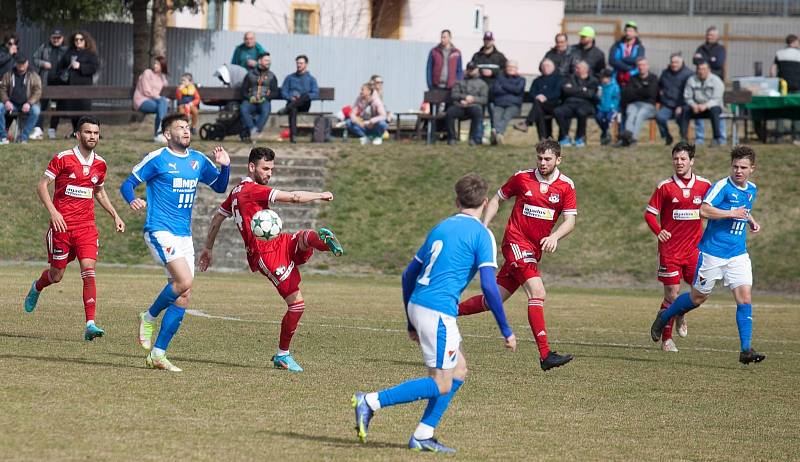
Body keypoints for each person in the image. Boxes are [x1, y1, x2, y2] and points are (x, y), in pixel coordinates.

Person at [351, 173, 516, 453]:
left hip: (420, 305)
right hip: (438, 311)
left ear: (456, 200)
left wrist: (410, 322)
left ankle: (423, 434)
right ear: (486, 202)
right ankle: (371, 401)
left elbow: (407, 275)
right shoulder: (482, 234)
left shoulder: (441, 227)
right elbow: (489, 286)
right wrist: (506, 329)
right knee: (441, 383)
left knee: (459, 369)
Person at [198, 146, 343, 372]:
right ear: (251, 167)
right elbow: (294, 198)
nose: (269, 174)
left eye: (272, 169)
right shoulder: (251, 190)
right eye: (265, 169)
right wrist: (320, 195)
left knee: (305, 237)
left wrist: (208, 248)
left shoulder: (236, 191)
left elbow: (218, 217)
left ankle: (326, 243)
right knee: (297, 305)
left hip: (278, 242)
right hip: (266, 254)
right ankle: (282, 355)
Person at [119, 113, 230, 372]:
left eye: (188, 127)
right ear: (167, 134)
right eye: (180, 127)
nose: (186, 130)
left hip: (184, 235)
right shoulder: (158, 158)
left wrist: (225, 166)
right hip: (159, 230)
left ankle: (158, 354)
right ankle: (148, 316)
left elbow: (220, 187)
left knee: (183, 295)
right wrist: (131, 199)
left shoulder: (198, 160)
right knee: (185, 281)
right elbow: (128, 184)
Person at [458, 139, 576, 371]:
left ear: (558, 160)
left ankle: (446, 311)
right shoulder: (522, 178)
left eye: (548, 159)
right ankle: (545, 354)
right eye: (539, 158)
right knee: (537, 292)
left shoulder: (566, 186)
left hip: (533, 251)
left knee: (493, 300)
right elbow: (496, 200)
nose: (542, 163)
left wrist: (554, 237)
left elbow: (570, 221)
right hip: (515, 242)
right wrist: (483, 226)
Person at [651, 145, 766, 365]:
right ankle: (665, 317)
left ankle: (746, 349)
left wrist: (750, 220)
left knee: (745, 299)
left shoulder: (752, 189)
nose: (738, 171)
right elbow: (703, 210)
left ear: (752, 168)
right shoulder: (721, 186)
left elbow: (743, 208)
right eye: (735, 166)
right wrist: (731, 213)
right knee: (697, 298)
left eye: (743, 167)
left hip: (737, 254)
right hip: (712, 254)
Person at [22, 116, 125, 340]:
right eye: (88, 132)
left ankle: (90, 324)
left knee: (88, 271)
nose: (92, 137)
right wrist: (54, 212)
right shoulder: (63, 158)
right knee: (56, 275)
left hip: (87, 227)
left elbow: (98, 191)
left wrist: (115, 214)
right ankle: (37, 287)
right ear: (78, 135)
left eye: (96, 133)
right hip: (62, 228)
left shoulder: (100, 164)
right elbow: (42, 186)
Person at [644, 142, 712, 352]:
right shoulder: (664, 187)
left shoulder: (704, 185)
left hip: (694, 251)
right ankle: (667, 340)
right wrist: (659, 230)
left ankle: (680, 313)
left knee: (699, 293)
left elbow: (714, 210)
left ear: (691, 161)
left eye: (683, 159)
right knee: (672, 295)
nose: (679, 163)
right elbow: (649, 214)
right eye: (676, 159)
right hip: (670, 251)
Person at [56, 31, 99, 137]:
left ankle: (85, 132)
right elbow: (60, 67)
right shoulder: (69, 52)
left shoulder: (90, 54)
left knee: (84, 111)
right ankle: (75, 132)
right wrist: (64, 74)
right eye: (76, 39)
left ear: (85, 41)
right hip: (71, 86)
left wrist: (80, 66)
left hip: (84, 86)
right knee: (73, 110)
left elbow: (94, 68)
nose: (78, 41)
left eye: (81, 39)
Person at [693, 27, 727, 145]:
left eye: (712, 35)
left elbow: (718, 63)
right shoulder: (700, 48)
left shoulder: (721, 49)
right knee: (698, 106)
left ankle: (721, 137)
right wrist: (709, 60)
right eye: (708, 35)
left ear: (717, 36)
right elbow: (695, 61)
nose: (709, 37)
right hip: (701, 82)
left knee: (717, 109)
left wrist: (704, 61)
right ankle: (699, 138)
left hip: (715, 83)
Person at [514, 58, 562, 140]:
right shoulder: (537, 81)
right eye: (543, 66)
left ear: (553, 67)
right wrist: (537, 96)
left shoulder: (558, 79)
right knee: (539, 109)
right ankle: (545, 138)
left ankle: (527, 123)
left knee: (538, 105)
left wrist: (545, 97)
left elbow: (558, 93)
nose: (545, 67)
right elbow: (531, 93)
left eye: (548, 66)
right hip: (540, 106)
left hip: (554, 105)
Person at [554, 60, 599, 147]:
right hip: (569, 103)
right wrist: (582, 89)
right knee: (558, 111)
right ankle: (565, 137)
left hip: (585, 104)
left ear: (585, 69)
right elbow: (566, 91)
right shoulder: (570, 78)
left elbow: (590, 94)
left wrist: (574, 89)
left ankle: (580, 138)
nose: (576, 69)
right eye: (576, 68)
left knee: (581, 112)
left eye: (578, 68)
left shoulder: (593, 80)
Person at [32, 28, 67, 140]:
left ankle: (52, 129)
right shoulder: (44, 47)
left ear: (62, 38)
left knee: (56, 107)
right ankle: (39, 130)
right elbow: (35, 59)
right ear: (51, 38)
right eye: (54, 38)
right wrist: (43, 63)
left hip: (59, 83)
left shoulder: (66, 50)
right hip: (45, 81)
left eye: (58, 38)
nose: (56, 40)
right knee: (41, 105)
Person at [678, 61, 724, 146]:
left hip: (711, 107)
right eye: (699, 69)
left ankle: (716, 138)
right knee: (685, 110)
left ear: (709, 70)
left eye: (703, 69)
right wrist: (693, 105)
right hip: (696, 108)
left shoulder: (716, 80)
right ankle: (683, 139)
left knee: (715, 110)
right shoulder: (691, 80)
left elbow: (717, 99)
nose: (701, 71)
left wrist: (706, 105)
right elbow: (687, 96)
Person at [615, 58, 658, 147]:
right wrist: (642, 90)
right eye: (639, 65)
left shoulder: (653, 78)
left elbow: (651, 93)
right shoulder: (633, 78)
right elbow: (628, 93)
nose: (641, 67)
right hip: (634, 104)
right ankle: (628, 138)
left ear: (647, 66)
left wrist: (637, 91)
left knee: (640, 115)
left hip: (648, 105)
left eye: (643, 65)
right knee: (630, 114)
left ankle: (632, 138)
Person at [0, 54, 42, 144]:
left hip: (27, 104)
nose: (21, 65)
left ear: (27, 63)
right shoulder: (8, 74)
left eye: (23, 63)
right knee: (0, 107)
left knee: (36, 111)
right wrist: (6, 101)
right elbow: (2, 89)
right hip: (12, 104)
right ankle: (3, 137)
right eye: (19, 63)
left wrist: (29, 103)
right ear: (16, 63)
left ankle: (23, 137)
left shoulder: (33, 75)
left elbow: (38, 91)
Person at [445, 61, 488, 146]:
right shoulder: (459, 82)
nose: (471, 71)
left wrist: (473, 99)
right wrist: (463, 98)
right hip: (460, 106)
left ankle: (472, 138)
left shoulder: (482, 84)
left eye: (473, 69)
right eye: (469, 69)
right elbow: (454, 95)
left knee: (477, 111)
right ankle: (452, 138)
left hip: (473, 106)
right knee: (450, 112)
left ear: (477, 70)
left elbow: (484, 99)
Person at [279, 55, 319, 143]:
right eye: (297, 63)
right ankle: (293, 137)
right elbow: (283, 92)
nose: (299, 65)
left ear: (306, 64)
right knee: (293, 108)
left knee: (304, 96)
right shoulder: (289, 78)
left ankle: (286, 109)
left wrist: (304, 97)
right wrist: (290, 97)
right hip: (292, 103)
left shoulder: (311, 79)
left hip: (304, 104)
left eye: (301, 63)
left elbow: (315, 94)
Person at [656, 53, 693, 146]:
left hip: (682, 105)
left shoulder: (688, 74)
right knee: (659, 117)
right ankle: (667, 136)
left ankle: (683, 138)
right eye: (672, 62)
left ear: (682, 62)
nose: (674, 64)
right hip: (668, 104)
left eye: (676, 62)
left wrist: (681, 105)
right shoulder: (665, 73)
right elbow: (659, 85)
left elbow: (690, 93)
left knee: (680, 117)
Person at [241, 52, 278, 141]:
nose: (268, 62)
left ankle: (255, 131)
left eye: (269, 61)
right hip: (251, 100)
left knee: (266, 110)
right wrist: (249, 98)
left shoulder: (272, 76)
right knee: (243, 108)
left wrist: (265, 98)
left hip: (264, 100)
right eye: (266, 60)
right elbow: (243, 90)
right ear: (260, 61)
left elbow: (275, 92)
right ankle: (254, 130)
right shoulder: (250, 74)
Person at [770, 34, 800, 145]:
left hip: (782, 86)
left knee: (780, 110)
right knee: (797, 110)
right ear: (795, 42)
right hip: (797, 86)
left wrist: (773, 81)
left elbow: (773, 69)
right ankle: (796, 136)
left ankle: (779, 136)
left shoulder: (779, 53)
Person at [133, 56, 170, 143]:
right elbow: (146, 91)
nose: (155, 65)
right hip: (141, 100)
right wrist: (160, 98)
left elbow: (166, 85)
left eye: (157, 64)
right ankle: (160, 133)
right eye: (155, 63)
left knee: (161, 105)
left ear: (162, 66)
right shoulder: (147, 73)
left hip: (154, 101)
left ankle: (158, 135)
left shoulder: (161, 77)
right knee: (162, 104)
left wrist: (163, 75)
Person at [490, 60, 525, 144]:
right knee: (496, 116)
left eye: (513, 67)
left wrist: (503, 86)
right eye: (508, 66)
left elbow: (517, 90)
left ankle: (496, 132)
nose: (510, 69)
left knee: (506, 116)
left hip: (514, 105)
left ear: (516, 69)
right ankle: (498, 135)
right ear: (505, 68)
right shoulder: (499, 78)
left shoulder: (521, 79)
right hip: (499, 103)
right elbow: (496, 90)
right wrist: (511, 89)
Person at [609, 21, 645, 88]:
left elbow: (638, 60)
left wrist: (622, 59)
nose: (628, 33)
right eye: (626, 31)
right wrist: (628, 68)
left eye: (630, 31)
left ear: (636, 33)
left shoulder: (640, 47)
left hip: (633, 78)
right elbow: (611, 61)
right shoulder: (616, 45)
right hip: (617, 78)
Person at [595, 68, 620, 145]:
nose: (601, 79)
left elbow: (617, 98)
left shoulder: (615, 86)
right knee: (598, 117)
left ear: (608, 78)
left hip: (611, 109)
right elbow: (598, 97)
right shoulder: (600, 86)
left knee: (608, 119)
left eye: (602, 77)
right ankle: (605, 133)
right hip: (601, 107)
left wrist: (613, 107)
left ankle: (605, 135)